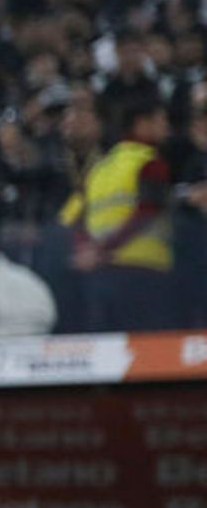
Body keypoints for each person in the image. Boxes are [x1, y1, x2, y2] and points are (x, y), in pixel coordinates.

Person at [62, 94, 180, 331]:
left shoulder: (99, 169)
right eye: (161, 120)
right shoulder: (150, 162)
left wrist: (88, 251)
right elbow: (148, 212)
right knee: (147, 345)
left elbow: (77, 220)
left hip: (99, 275)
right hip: (145, 271)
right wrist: (105, 248)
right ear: (142, 123)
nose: (167, 128)